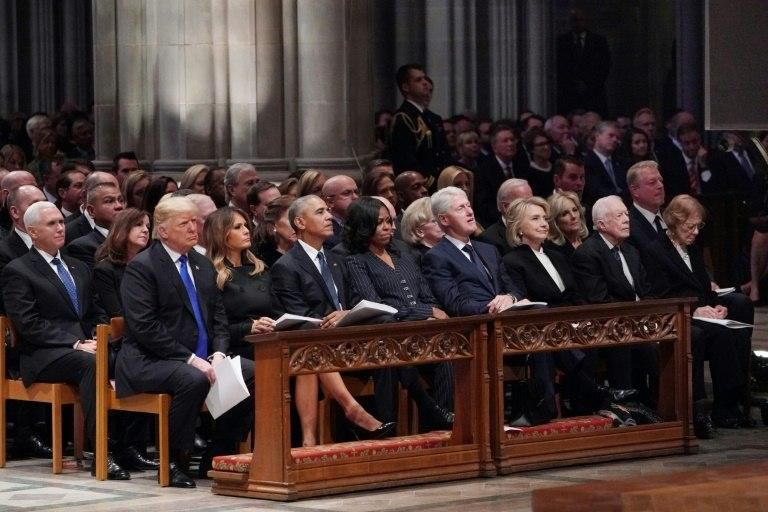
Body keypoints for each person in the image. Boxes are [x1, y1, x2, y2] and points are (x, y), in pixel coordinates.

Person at [118, 196, 255, 487]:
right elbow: (145, 327)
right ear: (163, 230)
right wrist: (190, 358)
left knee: (253, 372)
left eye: (195, 221)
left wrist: (219, 353)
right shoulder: (143, 267)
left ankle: (219, 453)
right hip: (150, 359)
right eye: (185, 223)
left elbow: (218, 317)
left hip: (202, 356)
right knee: (192, 379)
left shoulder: (201, 263)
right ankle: (175, 460)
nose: (194, 228)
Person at [2, 201, 129, 480]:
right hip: (43, 354)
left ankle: (128, 446)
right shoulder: (18, 270)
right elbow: (28, 324)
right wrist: (74, 343)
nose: (60, 228)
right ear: (32, 232)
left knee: (130, 357)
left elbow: (95, 311)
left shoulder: (78, 266)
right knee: (90, 364)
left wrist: (100, 335)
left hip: (84, 347)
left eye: (61, 222)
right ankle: (101, 453)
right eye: (52, 224)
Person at [270, 195, 395, 446]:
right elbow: (300, 318)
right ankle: (352, 410)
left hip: (349, 341)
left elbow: (356, 300)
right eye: (320, 212)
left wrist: (347, 314)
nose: (329, 216)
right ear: (300, 222)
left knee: (386, 334)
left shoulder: (337, 258)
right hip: (312, 344)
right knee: (311, 349)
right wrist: (334, 323)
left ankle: (385, 427)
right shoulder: (286, 266)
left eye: (328, 210)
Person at [502, 197, 635, 418]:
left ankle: (597, 405)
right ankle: (601, 395)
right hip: (540, 330)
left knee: (594, 337)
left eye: (545, 219)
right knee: (571, 344)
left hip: (572, 323)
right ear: (518, 228)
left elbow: (575, 294)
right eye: (535, 219)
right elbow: (526, 303)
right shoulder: (512, 261)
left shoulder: (557, 256)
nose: (544, 223)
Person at [642, 195, 754, 436]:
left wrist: (716, 305)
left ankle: (734, 399)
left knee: (736, 323)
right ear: (674, 221)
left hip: (701, 313)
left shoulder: (691, 249)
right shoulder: (656, 251)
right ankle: (705, 409)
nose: (695, 232)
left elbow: (704, 287)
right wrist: (694, 310)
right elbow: (659, 296)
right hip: (675, 316)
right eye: (689, 226)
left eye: (698, 226)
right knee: (719, 334)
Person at [343, 197, 455, 426]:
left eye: (390, 221)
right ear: (365, 226)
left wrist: (431, 311)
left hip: (421, 331)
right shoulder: (356, 261)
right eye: (381, 222)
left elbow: (428, 295)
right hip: (387, 335)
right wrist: (425, 312)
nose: (390, 227)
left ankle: (443, 415)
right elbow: (375, 305)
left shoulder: (402, 253)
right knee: (400, 355)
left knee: (447, 347)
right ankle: (431, 415)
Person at [571, 196, 658, 406]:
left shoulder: (631, 250)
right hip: (608, 324)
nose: (627, 219)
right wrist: (636, 318)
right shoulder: (588, 253)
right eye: (619, 216)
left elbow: (645, 290)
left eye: (627, 214)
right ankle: (630, 405)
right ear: (601, 224)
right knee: (639, 346)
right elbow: (598, 299)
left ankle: (666, 403)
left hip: (640, 320)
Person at [91, 208, 159, 470]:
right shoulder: (106, 270)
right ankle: (127, 446)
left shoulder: (151, 265)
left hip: (145, 335)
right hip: (119, 340)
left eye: (147, 225)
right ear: (121, 231)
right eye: (138, 225)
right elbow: (116, 314)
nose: (145, 230)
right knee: (136, 360)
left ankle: (139, 445)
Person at [422, 187, 524, 317]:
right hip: (476, 328)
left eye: (468, 206)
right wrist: (494, 306)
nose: (470, 211)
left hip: (507, 323)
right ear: (444, 220)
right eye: (461, 208)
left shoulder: (489, 250)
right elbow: (455, 304)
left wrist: (510, 298)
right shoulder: (436, 257)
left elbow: (514, 289)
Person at [204, 207, 276, 359]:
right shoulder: (212, 275)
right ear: (221, 235)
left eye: (246, 225)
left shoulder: (259, 269)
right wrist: (250, 327)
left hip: (270, 340)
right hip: (237, 348)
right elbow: (213, 329)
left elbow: (276, 310)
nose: (246, 231)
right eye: (238, 227)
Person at [388, 63, 450, 180]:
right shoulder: (404, 118)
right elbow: (406, 161)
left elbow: (443, 154)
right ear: (406, 87)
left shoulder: (432, 117)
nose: (425, 83)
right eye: (418, 80)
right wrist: (429, 182)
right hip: (422, 184)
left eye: (425, 78)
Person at [556, 9, 611, 115]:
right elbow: (560, 68)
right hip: (568, 93)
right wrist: (573, 83)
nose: (577, 23)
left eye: (580, 20)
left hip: (594, 93)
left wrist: (588, 83)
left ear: (586, 21)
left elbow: (604, 66)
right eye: (574, 20)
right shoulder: (561, 41)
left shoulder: (599, 41)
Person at [475, 124, 528, 227]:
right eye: (505, 141)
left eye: (512, 140)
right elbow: (484, 206)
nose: (511, 143)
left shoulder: (522, 166)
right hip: (496, 223)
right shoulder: (483, 171)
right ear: (494, 147)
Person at [66, 183, 126, 269]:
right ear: (91, 211)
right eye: (109, 201)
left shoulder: (135, 239)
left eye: (121, 200)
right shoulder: (82, 247)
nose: (119, 206)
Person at [477, 178, 533, 256]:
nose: (532, 207)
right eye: (524, 203)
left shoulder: (536, 230)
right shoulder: (488, 240)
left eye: (532, 201)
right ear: (506, 207)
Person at [625, 161, 667, 252]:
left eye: (661, 180)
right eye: (652, 182)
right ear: (635, 190)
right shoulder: (627, 227)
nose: (660, 186)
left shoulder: (672, 217)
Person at [583, 121, 626, 207]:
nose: (615, 140)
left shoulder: (621, 162)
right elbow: (594, 190)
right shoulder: (587, 162)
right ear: (597, 135)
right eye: (611, 135)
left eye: (617, 137)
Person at [251, 195, 297, 267]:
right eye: (290, 219)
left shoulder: (305, 251)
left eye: (299, 219)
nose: (297, 224)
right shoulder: (263, 259)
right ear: (273, 224)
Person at [400, 197, 443, 263]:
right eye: (434, 221)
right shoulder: (425, 259)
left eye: (441, 217)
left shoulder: (446, 249)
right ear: (419, 232)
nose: (442, 222)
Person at [321, 175, 360, 249]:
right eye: (346, 193)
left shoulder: (362, 223)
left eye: (356, 192)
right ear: (330, 202)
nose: (355, 197)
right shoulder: (325, 235)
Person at [547, 190, 590, 257]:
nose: (573, 216)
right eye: (565, 214)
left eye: (575, 210)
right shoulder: (554, 251)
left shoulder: (589, 241)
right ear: (555, 221)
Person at [522, 128, 555, 198]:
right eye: (541, 144)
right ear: (532, 149)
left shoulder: (556, 167)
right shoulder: (528, 174)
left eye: (547, 143)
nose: (546, 147)